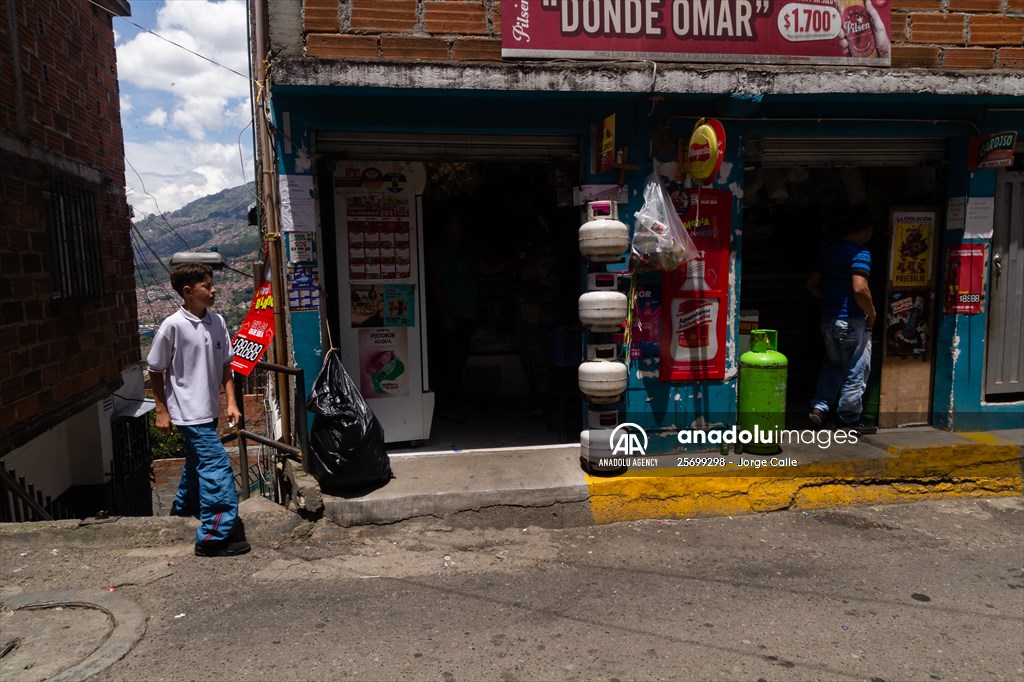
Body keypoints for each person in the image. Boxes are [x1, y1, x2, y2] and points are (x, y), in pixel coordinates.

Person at [148, 263, 250, 557]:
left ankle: (183, 509)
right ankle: (213, 538)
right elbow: (155, 368)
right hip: (187, 413)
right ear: (188, 292)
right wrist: (161, 410)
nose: (214, 290)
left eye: (213, 284)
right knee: (216, 469)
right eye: (207, 286)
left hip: (209, 410)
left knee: (196, 465)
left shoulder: (217, 321)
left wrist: (231, 402)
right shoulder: (173, 326)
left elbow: (226, 366)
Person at [805, 208, 878, 435]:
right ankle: (848, 418)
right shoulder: (861, 253)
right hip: (851, 320)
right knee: (856, 368)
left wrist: (830, 300)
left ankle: (820, 407)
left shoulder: (829, 252)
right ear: (867, 230)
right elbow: (859, 287)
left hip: (828, 319)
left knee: (833, 363)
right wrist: (872, 312)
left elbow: (811, 284)